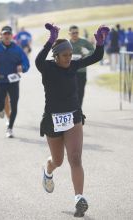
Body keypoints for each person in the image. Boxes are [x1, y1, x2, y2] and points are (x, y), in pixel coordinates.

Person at [35, 23, 109, 217]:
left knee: (75, 158)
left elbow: (96, 57)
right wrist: (50, 40)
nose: (69, 58)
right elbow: (37, 60)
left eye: (70, 54)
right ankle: (48, 171)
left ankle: (79, 198)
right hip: (52, 120)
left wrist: (100, 43)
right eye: (65, 55)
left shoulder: (74, 64)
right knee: (57, 161)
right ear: (56, 56)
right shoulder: (47, 67)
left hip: (73, 117)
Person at [0, 26, 30, 138]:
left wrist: (23, 67)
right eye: (4, 34)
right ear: (0, 35)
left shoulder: (17, 49)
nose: (6, 36)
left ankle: (10, 128)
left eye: (8, 34)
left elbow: (26, 63)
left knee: (14, 105)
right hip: (0, 80)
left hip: (13, 80)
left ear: (11, 36)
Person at [69, 25, 94, 108]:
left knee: (80, 92)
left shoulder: (83, 42)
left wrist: (87, 54)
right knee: (71, 92)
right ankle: (72, 109)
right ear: (69, 33)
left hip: (81, 71)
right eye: (73, 33)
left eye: (77, 32)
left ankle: (78, 110)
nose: (75, 34)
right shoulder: (67, 43)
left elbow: (92, 50)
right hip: (70, 71)